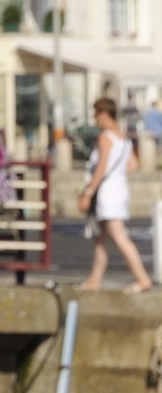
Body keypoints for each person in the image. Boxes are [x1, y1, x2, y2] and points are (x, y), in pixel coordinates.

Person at [79, 94, 152, 292]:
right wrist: (116, 173)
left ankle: (142, 278)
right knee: (101, 238)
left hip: (108, 192)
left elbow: (101, 167)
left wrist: (88, 192)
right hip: (120, 189)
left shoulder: (106, 137)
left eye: (96, 114)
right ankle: (95, 280)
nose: (94, 119)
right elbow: (133, 165)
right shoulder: (124, 138)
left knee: (119, 236)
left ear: (104, 114)